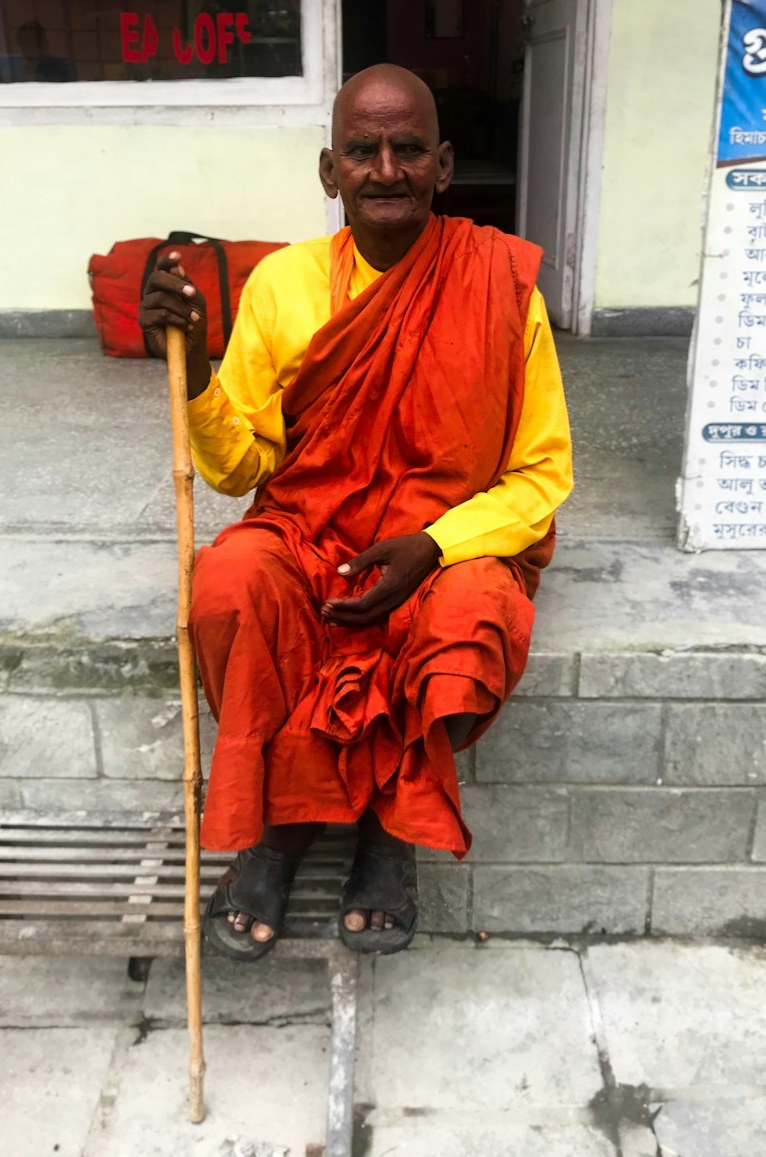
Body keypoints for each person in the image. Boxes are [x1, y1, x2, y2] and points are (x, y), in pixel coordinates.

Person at [138, 64, 572, 959]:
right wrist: (196, 379)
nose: (386, 169)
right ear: (329, 171)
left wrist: (432, 544)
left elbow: (539, 478)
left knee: (475, 617)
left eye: (407, 148)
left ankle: (387, 829)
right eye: (362, 151)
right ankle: (280, 828)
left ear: (444, 166)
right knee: (227, 583)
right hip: (308, 535)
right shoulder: (282, 287)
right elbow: (243, 467)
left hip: (439, 545)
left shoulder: (499, 287)